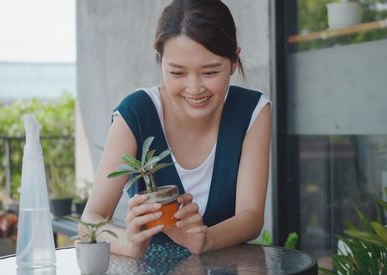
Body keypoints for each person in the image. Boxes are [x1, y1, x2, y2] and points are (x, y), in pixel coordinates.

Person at [80, 0, 271, 258]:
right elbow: (90, 219)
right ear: (160, 61)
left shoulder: (252, 111)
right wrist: (129, 242)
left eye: (210, 72)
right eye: (178, 73)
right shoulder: (136, 112)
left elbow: (251, 217)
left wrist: (206, 239)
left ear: (234, 61)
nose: (194, 88)